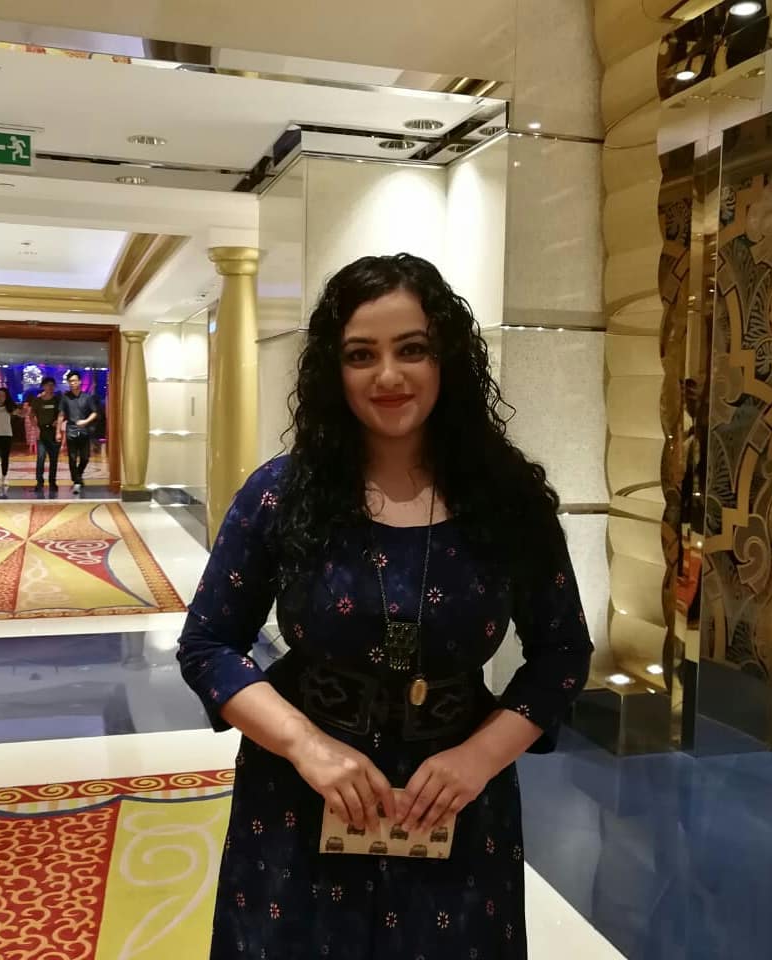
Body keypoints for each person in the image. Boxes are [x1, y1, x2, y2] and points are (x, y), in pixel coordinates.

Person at [177, 253, 594, 959]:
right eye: (361, 355)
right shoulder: (280, 493)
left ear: (446, 359)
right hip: (300, 801)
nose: (389, 376)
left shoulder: (507, 499)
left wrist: (478, 759)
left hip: (457, 804)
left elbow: (562, 652)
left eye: (412, 349)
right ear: (333, 371)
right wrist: (305, 745)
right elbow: (208, 644)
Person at [58, 370, 98, 495]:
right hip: (71, 430)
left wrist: (86, 421)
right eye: (70, 381)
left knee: (85, 457)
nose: (72, 383)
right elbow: (61, 414)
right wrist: (58, 431)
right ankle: (76, 482)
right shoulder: (65, 398)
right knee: (72, 457)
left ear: (80, 382)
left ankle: (78, 476)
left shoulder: (87, 397)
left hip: (84, 430)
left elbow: (95, 412)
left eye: (75, 381)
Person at [29, 377, 61, 494]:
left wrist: (58, 422)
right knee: (41, 458)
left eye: (52, 385)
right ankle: (39, 482)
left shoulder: (57, 400)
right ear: (43, 386)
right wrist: (35, 427)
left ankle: (52, 482)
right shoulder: (37, 401)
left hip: (53, 431)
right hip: (42, 431)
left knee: (54, 459)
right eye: (47, 385)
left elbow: (63, 414)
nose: (50, 387)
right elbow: (31, 415)